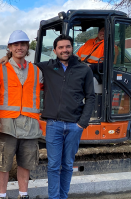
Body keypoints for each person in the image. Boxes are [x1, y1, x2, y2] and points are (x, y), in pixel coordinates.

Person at [36, 34, 95, 199]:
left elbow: (91, 97)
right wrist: (5, 57)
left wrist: (82, 124)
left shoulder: (84, 69)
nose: (64, 50)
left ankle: (63, 196)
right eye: (60, 47)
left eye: (67, 46)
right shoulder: (47, 67)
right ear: (54, 50)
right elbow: (22, 66)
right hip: (53, 125)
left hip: (74, 126)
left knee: (68, 165)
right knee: (54, 166)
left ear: (72, 48)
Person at [0, 30, 42, 199]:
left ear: (28, 47)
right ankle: (2, 196)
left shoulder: (37, 70)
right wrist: (2, 59)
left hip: (30, 126)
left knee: (25, 164)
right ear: (10, 47)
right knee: (3, 164)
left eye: (23, 44)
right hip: (7, 126)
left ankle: (23, 194)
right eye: (16, 45)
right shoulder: (0, 69)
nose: (19, 47)